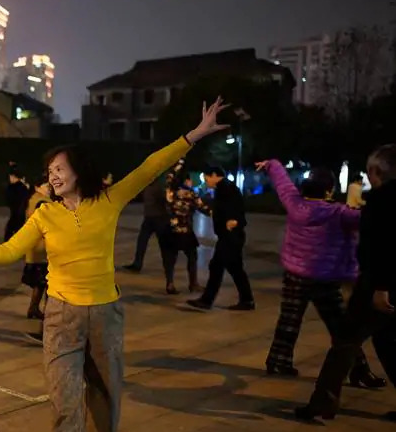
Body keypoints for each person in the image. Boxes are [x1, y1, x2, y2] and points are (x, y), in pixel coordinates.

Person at [0, 98, 229, 432]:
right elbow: (10, 249)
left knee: (106, 399)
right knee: (65, 407)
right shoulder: (44, 215)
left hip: (105, 316)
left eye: (58, 169)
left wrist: (195, 134)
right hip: (60, 318)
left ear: (78, 170)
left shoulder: (107, 201)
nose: (52, 176)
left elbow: (150, 166)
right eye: (49, 171)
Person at [257, 160, 385, 386]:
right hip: (326, 277)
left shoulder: (294, 204)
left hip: (295, 274)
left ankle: (278, 360)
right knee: (342, 328)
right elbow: (373, 219)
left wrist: (272, 165)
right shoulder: (340, 213)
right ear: (329, 190)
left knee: (289, 320)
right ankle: (358, 370)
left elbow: (283, 184)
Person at [296, 144, 396, 422]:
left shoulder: (383, 199)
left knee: (345, 340)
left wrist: (381, 286)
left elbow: (382, 247)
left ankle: (323, 402)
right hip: (383, 284)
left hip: (379, 286)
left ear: (376, 171)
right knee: (389, 342)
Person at [187, 166, 255, 311]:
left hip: (230, 237)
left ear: (213, 175)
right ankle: (247, 300)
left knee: (216, 266)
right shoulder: (223, 188)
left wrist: (235, 221)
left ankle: (207, 300)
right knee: (236, 269)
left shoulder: (227, 189)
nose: (206, 182)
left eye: (206, 179)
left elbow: (239, 210)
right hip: (230, 235)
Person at [162, 161, 211, 294]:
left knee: (170, 258)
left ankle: (170, 284)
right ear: (187, 180)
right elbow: (203, 208)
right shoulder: (191, 194)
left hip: (171, 230)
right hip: (185, 231)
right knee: (192, 257)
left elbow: (168, 178)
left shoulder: (170, 193)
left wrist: (178, 164)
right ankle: (193, 283)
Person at [22, 177, 52, 343]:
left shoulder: (35, 199)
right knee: (48, 289)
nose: (49, 188)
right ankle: (46, 329)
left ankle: (34, 310)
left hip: (37, 251)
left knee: (41, 285)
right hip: (42, 252)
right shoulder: (42, 202)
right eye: (46, 185)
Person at [123, 173, 170, 273]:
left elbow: (165, 201)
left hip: (158, 218)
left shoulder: (158, 187)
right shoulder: (147, 187)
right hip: (149, 218)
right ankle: (137, 264)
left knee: (163, 244)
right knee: (142, 241)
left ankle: (168, 266)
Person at [4, 166, 29, 241]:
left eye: (11, 177)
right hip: (18, 213)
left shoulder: (17, 188)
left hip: (18, 213)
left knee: (12, 230)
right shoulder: (20, 187)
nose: (10, 178)